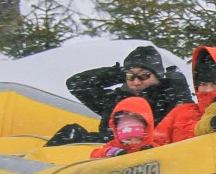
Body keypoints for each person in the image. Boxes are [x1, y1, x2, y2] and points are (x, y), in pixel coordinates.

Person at [64, 44, 193, 129]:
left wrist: (177, 84)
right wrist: (117, 73)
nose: (136, 82)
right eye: (131, 77)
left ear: (157, 76)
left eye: (144, 76)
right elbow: (76, 84)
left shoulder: (169, 96)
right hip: (108, 158)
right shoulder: (116, 100)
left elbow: (186, 117)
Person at [154, 43, 216, 143]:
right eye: (203, 84)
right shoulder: (180, 113)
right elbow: (155, 142)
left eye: (215, 83)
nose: (209, 90)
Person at [89, 97, 166, 158]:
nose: (133, 142)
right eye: (128, 139)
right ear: (119, 136)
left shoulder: (152, 144)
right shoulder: (114, 145)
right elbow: (94, 154)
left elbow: (163, 155)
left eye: (138, 138)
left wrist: (153, 151)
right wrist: (110, 152)